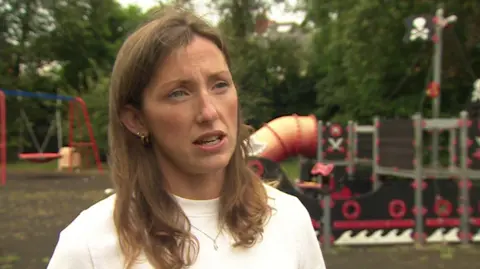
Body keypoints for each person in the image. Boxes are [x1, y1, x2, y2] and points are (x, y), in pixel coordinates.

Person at [47, 6, 326, 269]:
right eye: (179, 93)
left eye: (220, 85)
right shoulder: (89, 246)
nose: (208, 111)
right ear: (136, 119)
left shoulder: (288, 219)